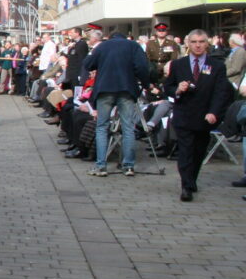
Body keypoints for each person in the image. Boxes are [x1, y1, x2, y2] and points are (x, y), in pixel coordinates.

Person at [162, 30, 232, 201]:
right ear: (188, 43)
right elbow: (168, 87)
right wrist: (178, 89)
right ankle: (186, 186)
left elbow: (221, 92)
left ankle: (192, 179)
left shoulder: (217, 65)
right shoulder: (178, 64)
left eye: (201, 41)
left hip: (205, 115)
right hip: (184, 114)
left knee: (198, 151)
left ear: (207, 43)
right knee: (185, 150)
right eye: (194, 42)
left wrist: (214, 112)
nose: (198, 45)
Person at [81, 28, 150, 177]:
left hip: (104, 89)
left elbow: (88, 64)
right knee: (128, 128)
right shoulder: (133, 46)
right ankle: (129, 166)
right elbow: (143, 67)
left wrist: (93, 50)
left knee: (102, 127)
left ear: (109, 38)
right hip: (126, 89)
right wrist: (144, 84)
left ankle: (101, 166)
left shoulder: (102, 46)